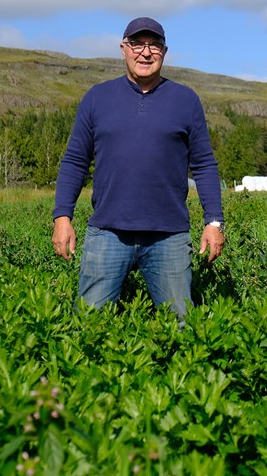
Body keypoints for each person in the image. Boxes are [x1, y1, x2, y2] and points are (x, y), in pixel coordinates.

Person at [52, 17, 225, 319]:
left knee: (182, 325)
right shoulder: (97, 98)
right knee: (89, 324)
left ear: (164, 51)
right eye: (137, 44)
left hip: (168, 237)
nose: (146, 52)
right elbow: (75, 161)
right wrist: (62, 216)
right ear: (123, 48)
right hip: (107, 233)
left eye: (154, 45)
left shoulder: (186, 100)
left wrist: (214, 221)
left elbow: (205, 165)